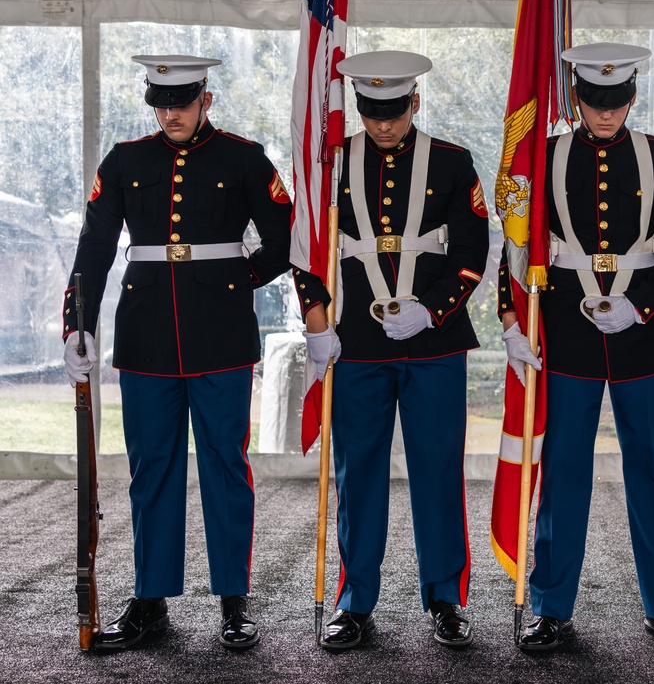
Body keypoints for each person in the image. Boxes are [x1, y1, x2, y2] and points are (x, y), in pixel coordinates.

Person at [62, 53, 330, 651]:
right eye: (160, 103)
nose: (169, 114)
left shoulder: (242, 157)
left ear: (205, 98)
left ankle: (234, 600)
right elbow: (96, 246)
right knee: (151, 468)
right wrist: (77, 325)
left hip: (220, 333)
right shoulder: (127, 160)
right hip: (146, 335)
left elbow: (289, 235)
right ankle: (151, 600)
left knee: (225, 467)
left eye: (181, 102)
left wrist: (238, 279)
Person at [499, 42, 654, 654]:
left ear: (633, 96)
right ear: (575, 98)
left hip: (643, 334)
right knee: (564, 473)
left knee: (652, 472)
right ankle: (551, 606)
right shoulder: (546, 156)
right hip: (567, 328)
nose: (606, 113)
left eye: (616, 101)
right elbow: (514, 242)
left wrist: (640, 305)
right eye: (594, 100)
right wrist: (510, 316)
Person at [313, 49, 490, 652]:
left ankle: (446, 599)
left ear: (415, 102)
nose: (382, 123)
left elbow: (473, 249)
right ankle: (355, 599)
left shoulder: (452, 161)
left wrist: (432, 309)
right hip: (357, 342)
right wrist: (317, 321)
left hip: (435, 342)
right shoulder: (333, 163)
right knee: (357, 474)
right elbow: (311, 245)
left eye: (393, 110)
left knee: (437, 471)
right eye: (370, 111)